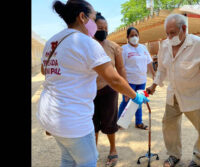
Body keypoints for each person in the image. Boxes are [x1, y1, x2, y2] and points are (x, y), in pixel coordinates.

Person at [36, 1, 149, 167]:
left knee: (68, 159)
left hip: (49, 115)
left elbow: (44, 70)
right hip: (72, 119)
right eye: (94, 18)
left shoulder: (53, 40)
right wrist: (135, 96)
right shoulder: (86, 42)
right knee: (88, 161)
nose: (96, 25)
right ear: (82, 17)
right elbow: (114, 79)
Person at [146, 14, 200, 167]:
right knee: (168, 124)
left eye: (172, 32)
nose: (169, 36)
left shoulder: (199, 45)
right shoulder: (164, 46)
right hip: (174, 95)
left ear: (184, 29)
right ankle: (174, 154)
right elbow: (162, 69)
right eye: (167, 33)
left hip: (196, 96)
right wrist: (153, 86)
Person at [92, 12, 126, 166]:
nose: (103, 30)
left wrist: (125, 89)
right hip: (89, 90)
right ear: (92, 27)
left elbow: (121, 68)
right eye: (100, 27)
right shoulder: (86, 44)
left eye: (106, 28)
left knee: (110, 120)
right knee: (92, 123)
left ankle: (113, 149)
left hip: (109, 90)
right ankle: (93, 150)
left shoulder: (113, 47)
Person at [117, 27, 156, 130]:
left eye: (136, 35)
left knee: (139, 101)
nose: (134, 37)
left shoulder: (143, 47)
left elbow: (149, 61)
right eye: (132, 35)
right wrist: (123, 83)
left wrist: (153, 74)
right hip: (129, 81)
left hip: (141, 80)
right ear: (127, 37)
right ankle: (120, 122)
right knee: (126, 101)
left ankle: (139, 122)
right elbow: (121, 67)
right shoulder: (124, 49)